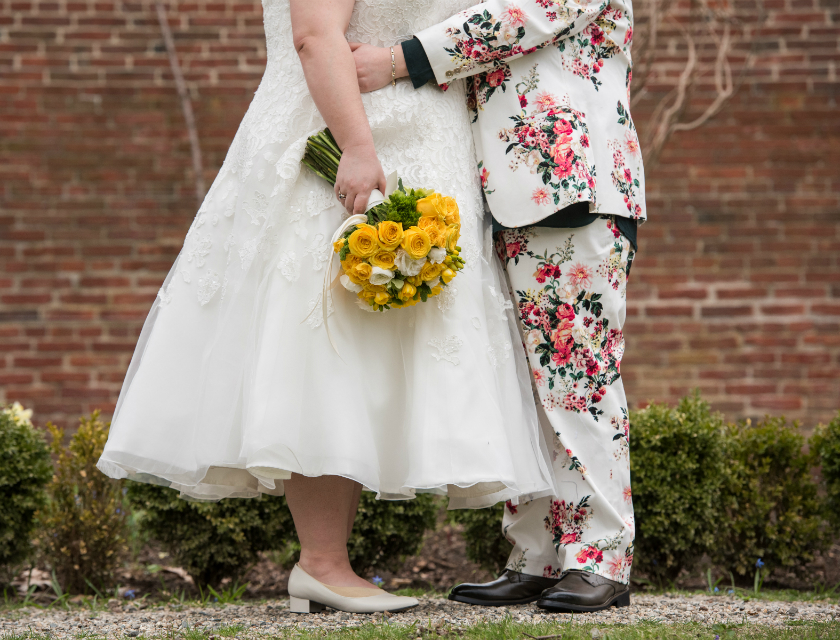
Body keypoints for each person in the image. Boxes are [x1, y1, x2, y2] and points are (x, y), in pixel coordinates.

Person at [97, 0, 558, 615]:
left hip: (425, 148)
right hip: (344, 144)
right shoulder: (354, 145)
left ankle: (327, 564)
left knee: (363, 353)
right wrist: (358, 147)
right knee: (325, 347)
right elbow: (315, 36)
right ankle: (320, 562)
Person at [351, 0, 645, 614]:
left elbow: (527, 13)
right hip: (501, 189)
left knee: (577, 375)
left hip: (574, 179)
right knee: (522, 382)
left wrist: (402, 60)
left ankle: (599, 558)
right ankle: (535, 555)